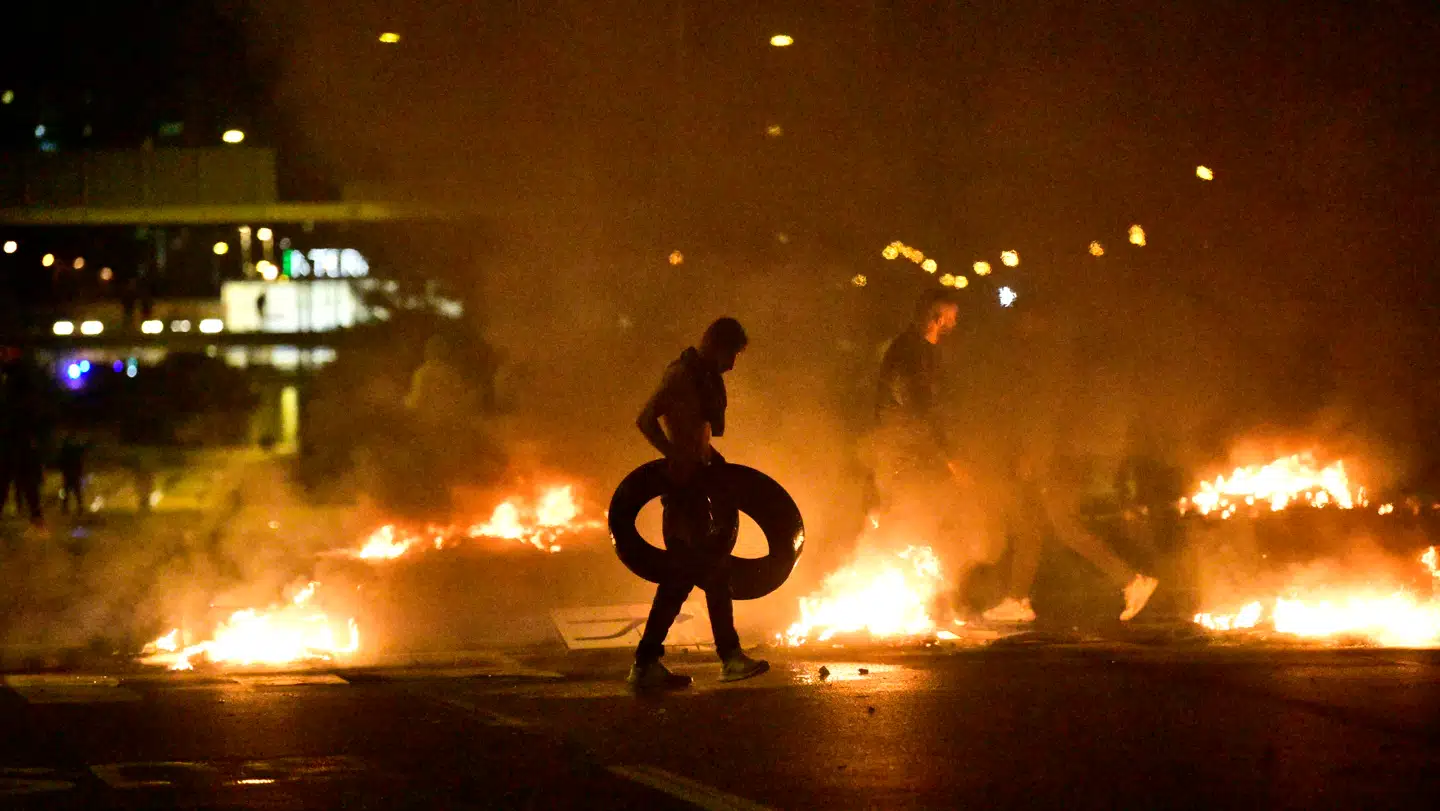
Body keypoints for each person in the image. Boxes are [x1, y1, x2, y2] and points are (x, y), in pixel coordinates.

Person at [980, 309, 1159, 624]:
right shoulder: (1048, 366)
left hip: (1058, 461)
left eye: (1026, 323)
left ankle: (1133, 580)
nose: (1020, 329)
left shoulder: (1047, 368)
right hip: (1056, 458)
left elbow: (1046, 417)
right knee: (1029, 527)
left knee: (1065, 526)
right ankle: (1017, 599)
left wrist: (1035, 457)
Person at [629, 317, 770, 690]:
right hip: (683, 491)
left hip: (697, 484)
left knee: (681, 580)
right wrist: (672, 454)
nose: (732, 365)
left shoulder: (702, 377)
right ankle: (729, 658)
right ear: (714, 344)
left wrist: (711, 462)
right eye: (731, 354)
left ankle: (646, 664)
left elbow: (700, 434)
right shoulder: (680, 375)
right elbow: (645, 419)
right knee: (709, 573)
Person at [868, 290, 970, 540]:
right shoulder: (909, 353)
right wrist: (950, 457)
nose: (956, 321)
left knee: (921, 517)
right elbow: (920, 408)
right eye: (952, 315)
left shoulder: (927, 350)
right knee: (901, 515)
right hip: (902, 450)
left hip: (917, 448)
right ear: (938, 318)